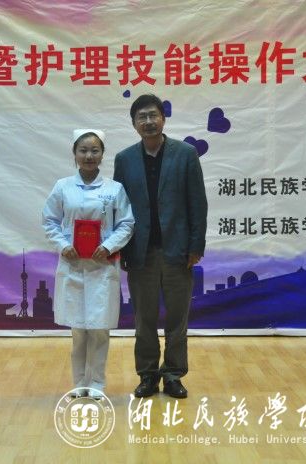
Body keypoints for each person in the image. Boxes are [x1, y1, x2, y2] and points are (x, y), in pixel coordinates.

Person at [114, 94, 208, 399]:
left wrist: (196, 245)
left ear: (163, 118)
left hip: (178, 252)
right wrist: (121, 248)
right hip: (140, 252)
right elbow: (119, 208)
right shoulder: (124, 159)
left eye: (153, 115)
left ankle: (173, 375)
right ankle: (147, 375)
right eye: (141, 117)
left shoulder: (186, 154)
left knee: (177, 319)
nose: (148, 121)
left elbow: (198, 203)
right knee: (144, 319)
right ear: (134, 124)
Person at [42, 129, 134, 398]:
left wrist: (108, 246)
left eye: (95, 150)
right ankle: (79, 382)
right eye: (83, 150)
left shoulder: (114, 189)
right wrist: (63, 245)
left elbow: (126, 223)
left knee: (99, 329)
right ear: (74, 154)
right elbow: (49, 220)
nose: (89, 156)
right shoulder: (63, 187)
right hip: (72, 266)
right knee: (79, 330)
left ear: (102, 154)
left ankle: (97, 384)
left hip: (102, 267)